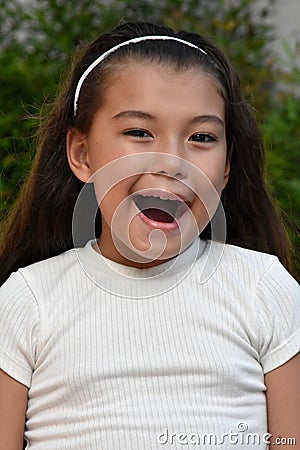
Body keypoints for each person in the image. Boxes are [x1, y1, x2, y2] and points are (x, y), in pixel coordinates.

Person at [0, 21, 299, 449]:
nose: (173, 162)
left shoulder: (264, 290)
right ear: (82, 154)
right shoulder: (28, 301)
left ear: (227, 165)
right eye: (139, 132)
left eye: (201, 137)